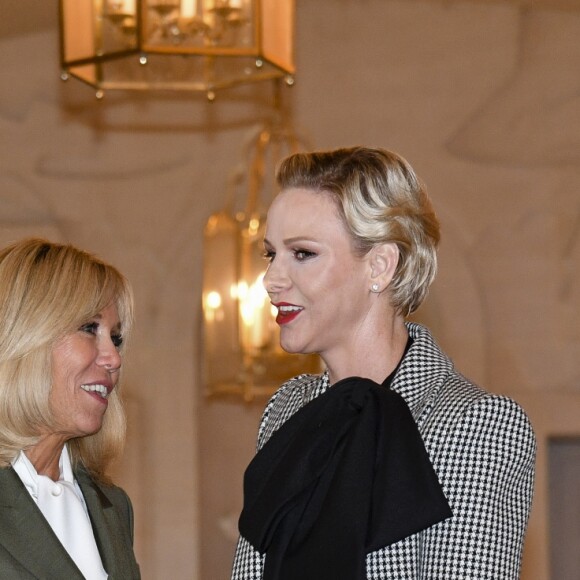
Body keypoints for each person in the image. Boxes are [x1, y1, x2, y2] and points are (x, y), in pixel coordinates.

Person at [231, 147, 536, 580]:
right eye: (270, 254)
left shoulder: (476, 424)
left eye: (301, 253)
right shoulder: (285, 411)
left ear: (379, 265)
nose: (271, 280)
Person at [0, 238, 140, 579]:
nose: (114, 358)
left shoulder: (113, 506)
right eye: (89, 328)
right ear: (25, 336)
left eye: (116, 337)